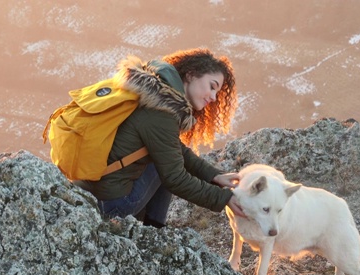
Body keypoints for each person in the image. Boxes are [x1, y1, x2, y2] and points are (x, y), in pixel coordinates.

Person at [73, 48, 245, 228]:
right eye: (212, 86)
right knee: (164, 165)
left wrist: (214, 175)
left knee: (166, 157)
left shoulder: (152, 93)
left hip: (93, 188)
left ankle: (151, 226)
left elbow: (175, 148)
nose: (213, 97)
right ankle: (153, 229)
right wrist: (224, 198)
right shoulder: (161, 112)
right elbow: (175, 178)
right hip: (111, 205)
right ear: (191, 75)